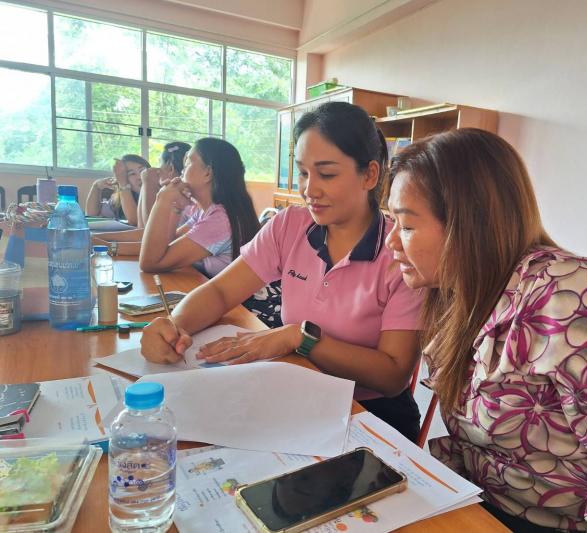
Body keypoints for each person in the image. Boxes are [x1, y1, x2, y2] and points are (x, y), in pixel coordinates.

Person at [384, 128, 587, 531]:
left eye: (406, 226)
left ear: (468, 226)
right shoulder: (460, 292)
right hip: (480, 505)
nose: (391, 242)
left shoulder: (577, 300)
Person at [140, 102, 424, 441]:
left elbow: (392, 375)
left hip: (368, 414)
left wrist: (300, 337)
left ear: (370, 175)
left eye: (327, 174)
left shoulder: (399, 252)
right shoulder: (291, 225)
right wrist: (174, 326)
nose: (309, 190)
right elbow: (220, 291)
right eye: (303, 173)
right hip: (297, 391)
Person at [93, 137, 260, 279]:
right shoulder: (204, 211)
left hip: (240, 305)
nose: (182, 171)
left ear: (208, 173)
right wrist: (175, 208)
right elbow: (166, 243)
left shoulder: (220, 219)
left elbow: (150, 263)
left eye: (188, 163)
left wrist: (163, 200)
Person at [137, 141, 191, 227]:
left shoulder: (180, 196)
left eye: (160, 164)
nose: (158, 170)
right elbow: (140, 228)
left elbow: (149, 229)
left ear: (171, 168)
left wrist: (148, 183)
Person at [85, 154, 149, 226]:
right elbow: (92, 217)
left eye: (142, 171)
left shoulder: (156, 194)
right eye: (132, 174)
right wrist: (96, 186)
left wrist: (123, 185)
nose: (139, 177)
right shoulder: (120, 198)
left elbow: (135, 222)